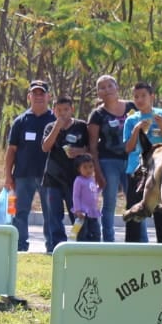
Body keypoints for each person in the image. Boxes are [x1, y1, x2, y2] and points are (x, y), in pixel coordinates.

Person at [123, 82, 162, 243]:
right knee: (134, 210)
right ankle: (132, 249)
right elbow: (128, 147)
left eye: (143, 96)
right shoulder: (131, 120)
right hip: (137, 170)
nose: (139, 100)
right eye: (136, 97)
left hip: (160, 170)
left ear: (152, 97)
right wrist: (136, 130)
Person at [3, 80, 56, 253]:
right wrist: (7, 175)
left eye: (42, 93)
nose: (39, 97)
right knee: (20, 213)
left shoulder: (55, 120)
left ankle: (52, 246)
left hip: (48, 176)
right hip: (23, 175)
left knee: (51, 213)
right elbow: (11, 150)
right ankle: (19, 246)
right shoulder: (20, 121)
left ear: (49, 96)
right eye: (35, 93)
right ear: (29, 97)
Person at [87, 75, 134, 242]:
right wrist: (98, 172)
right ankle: (109, 241)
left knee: (136, 202)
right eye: (102, 87)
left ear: (117, 87)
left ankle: (139, 240)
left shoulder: (132, 107)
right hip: (108, 162)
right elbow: (92, 146)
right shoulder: (97, 115)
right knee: (110, 203)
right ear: (98, 93)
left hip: (132, 162)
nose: (106, 90)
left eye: (109, 86)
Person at [40, 95, 89, 251]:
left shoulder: (81, 126)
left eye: (66, 110)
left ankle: (81, 245)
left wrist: (79, 151)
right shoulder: (50, 127)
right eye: (59, 110)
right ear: (54, 111)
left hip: (76, 179)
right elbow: (45, 147)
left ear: (72, 109)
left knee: (78, 214)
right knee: (54, 215)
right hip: (53, 178)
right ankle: (57, 248)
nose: (63, 113)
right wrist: (57, 127)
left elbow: (91, 149)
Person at [71, 154, 103, 242]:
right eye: (85, 167)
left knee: (95, 231)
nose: (88, 170)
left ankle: (94, 249)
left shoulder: (92, 179)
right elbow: (75, 196)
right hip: (82, 212)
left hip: (92, 211)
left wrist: (100, 187)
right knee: (82, 233)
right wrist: (77, 210)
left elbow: (94, 191)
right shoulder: (79, 180)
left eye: (91, 167)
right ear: (79, 169)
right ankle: (81, 251)